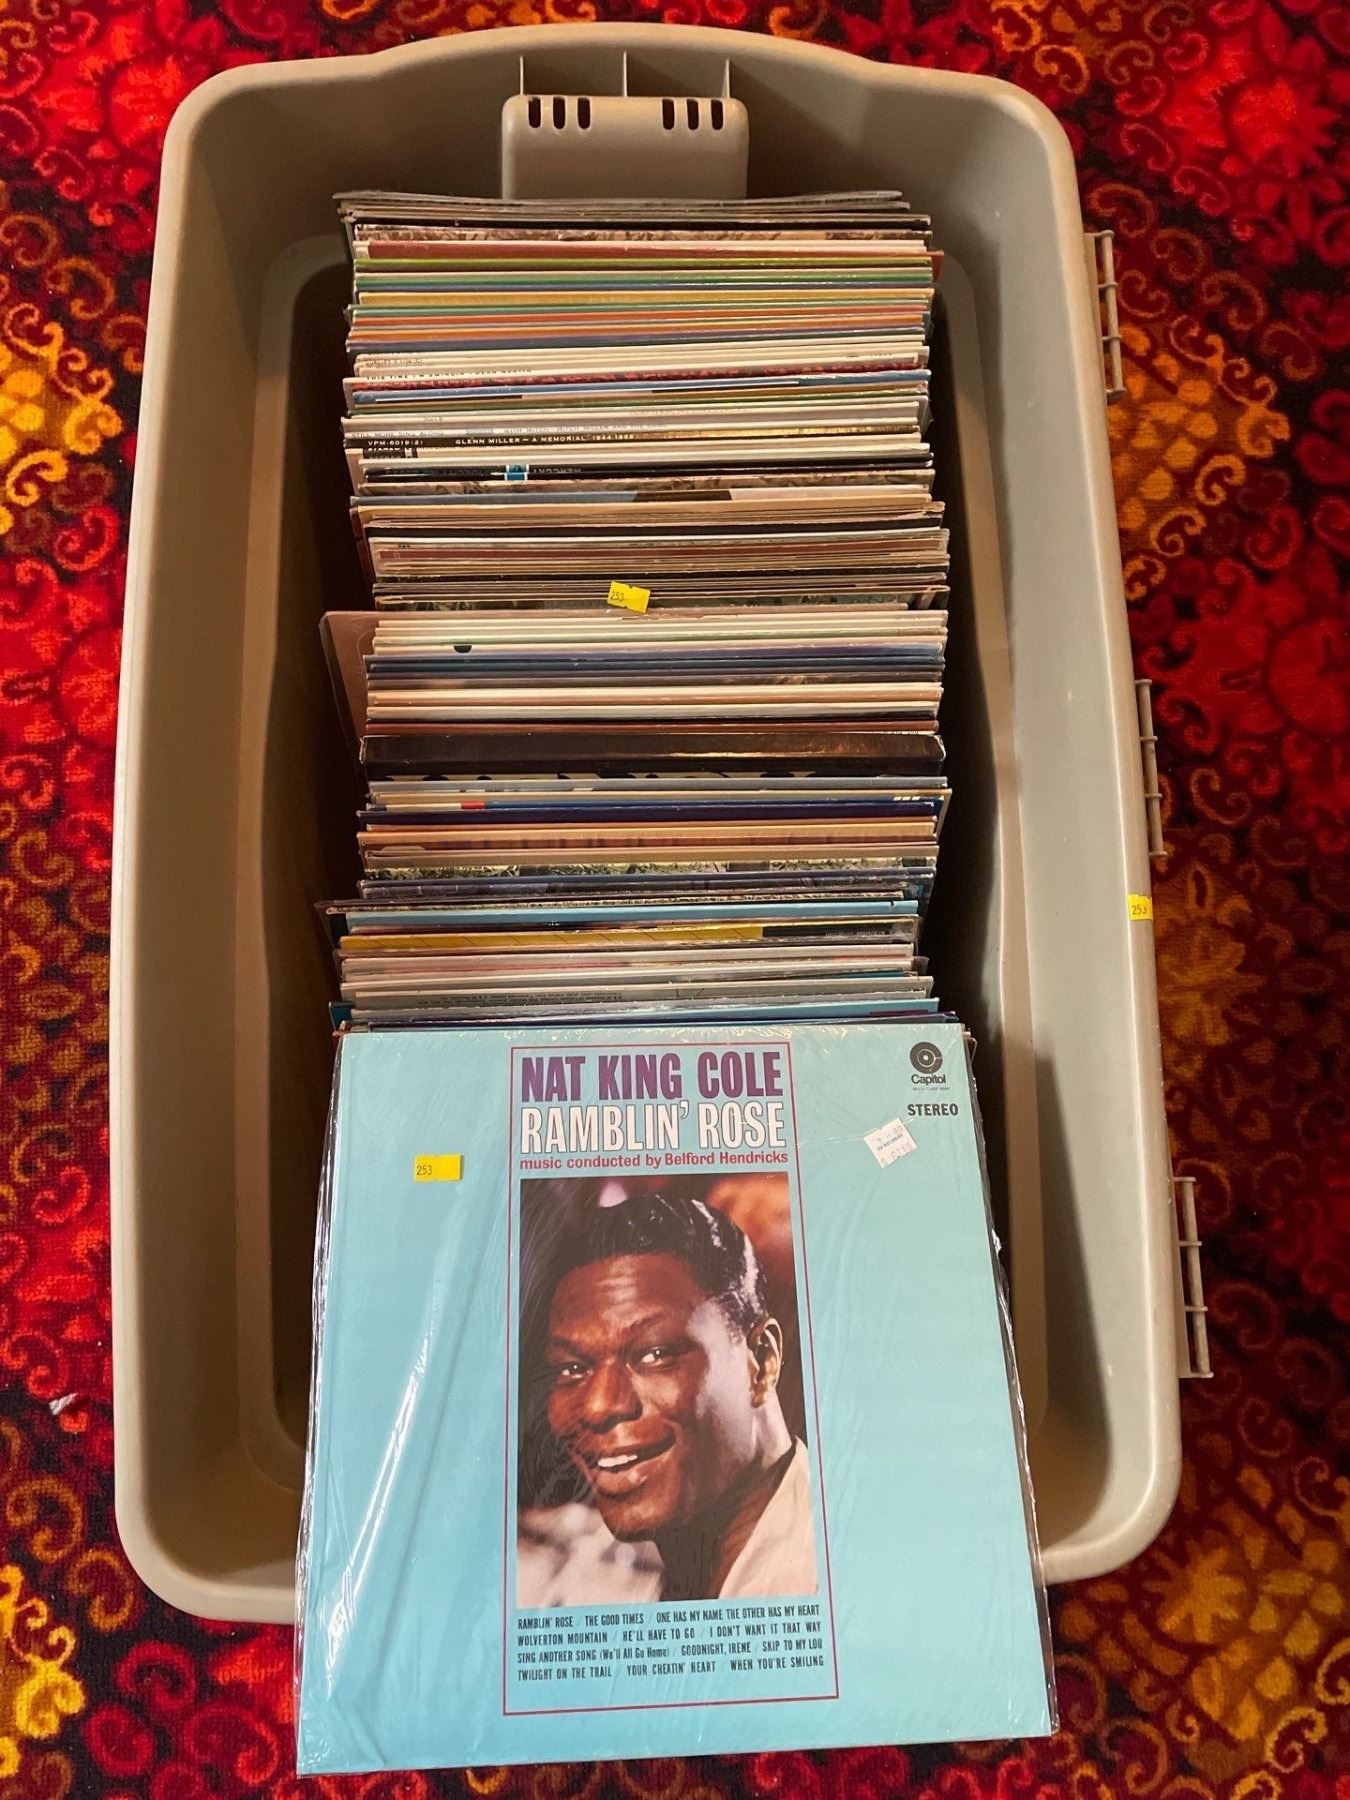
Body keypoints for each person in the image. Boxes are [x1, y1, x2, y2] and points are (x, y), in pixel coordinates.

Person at [517, 1192, 817, 1607]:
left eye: (655, 1354)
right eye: (572, 1368)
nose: (598, 1405)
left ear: (762, 1362)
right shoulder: (646, 1564)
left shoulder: (822, 1576)